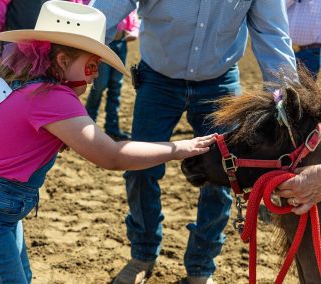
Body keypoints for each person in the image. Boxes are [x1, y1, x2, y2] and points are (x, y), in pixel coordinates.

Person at [0, 1, 216, 283]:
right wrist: (179, 148)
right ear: (63, 62)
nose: (94, 77)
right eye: (91, 66)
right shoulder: (54, 97)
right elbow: (112, 156)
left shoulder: (19, 83)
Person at [91, 1, 297, 283]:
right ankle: (142, 254)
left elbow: (272, 33)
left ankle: (201, 267)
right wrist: (73, 61)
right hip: (157, 79)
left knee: (224, 175)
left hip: (219, 81)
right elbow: (105, 10)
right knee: (140, 169)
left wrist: (287, 108)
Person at [84, 8, 140, 140]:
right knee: (100, 86)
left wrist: (134, 33)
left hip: (121, 45)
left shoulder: (128, 4)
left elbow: (134, 20)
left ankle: (112, 127)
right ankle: (88, 125)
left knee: (116, 87)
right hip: (104, 44)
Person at [286, 0, 321, 79]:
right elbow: (274, 10)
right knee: (281, 84)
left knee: (304, 87)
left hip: (311, 52)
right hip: (285, 49)